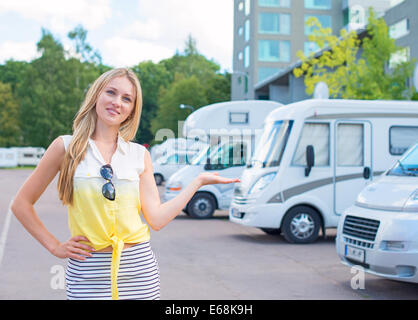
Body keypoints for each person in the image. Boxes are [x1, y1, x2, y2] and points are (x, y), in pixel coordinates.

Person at [10, 68, 240, 300]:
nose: (117, 102)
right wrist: (55, 246)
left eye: (126, 98)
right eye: (111, 92)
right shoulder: (65, 147)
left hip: (139, 271)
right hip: (87, 272)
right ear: (97, 95)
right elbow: (21, 204)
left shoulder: (139, 155)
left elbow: (157, 219)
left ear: (131, 110)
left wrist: (197, 182)